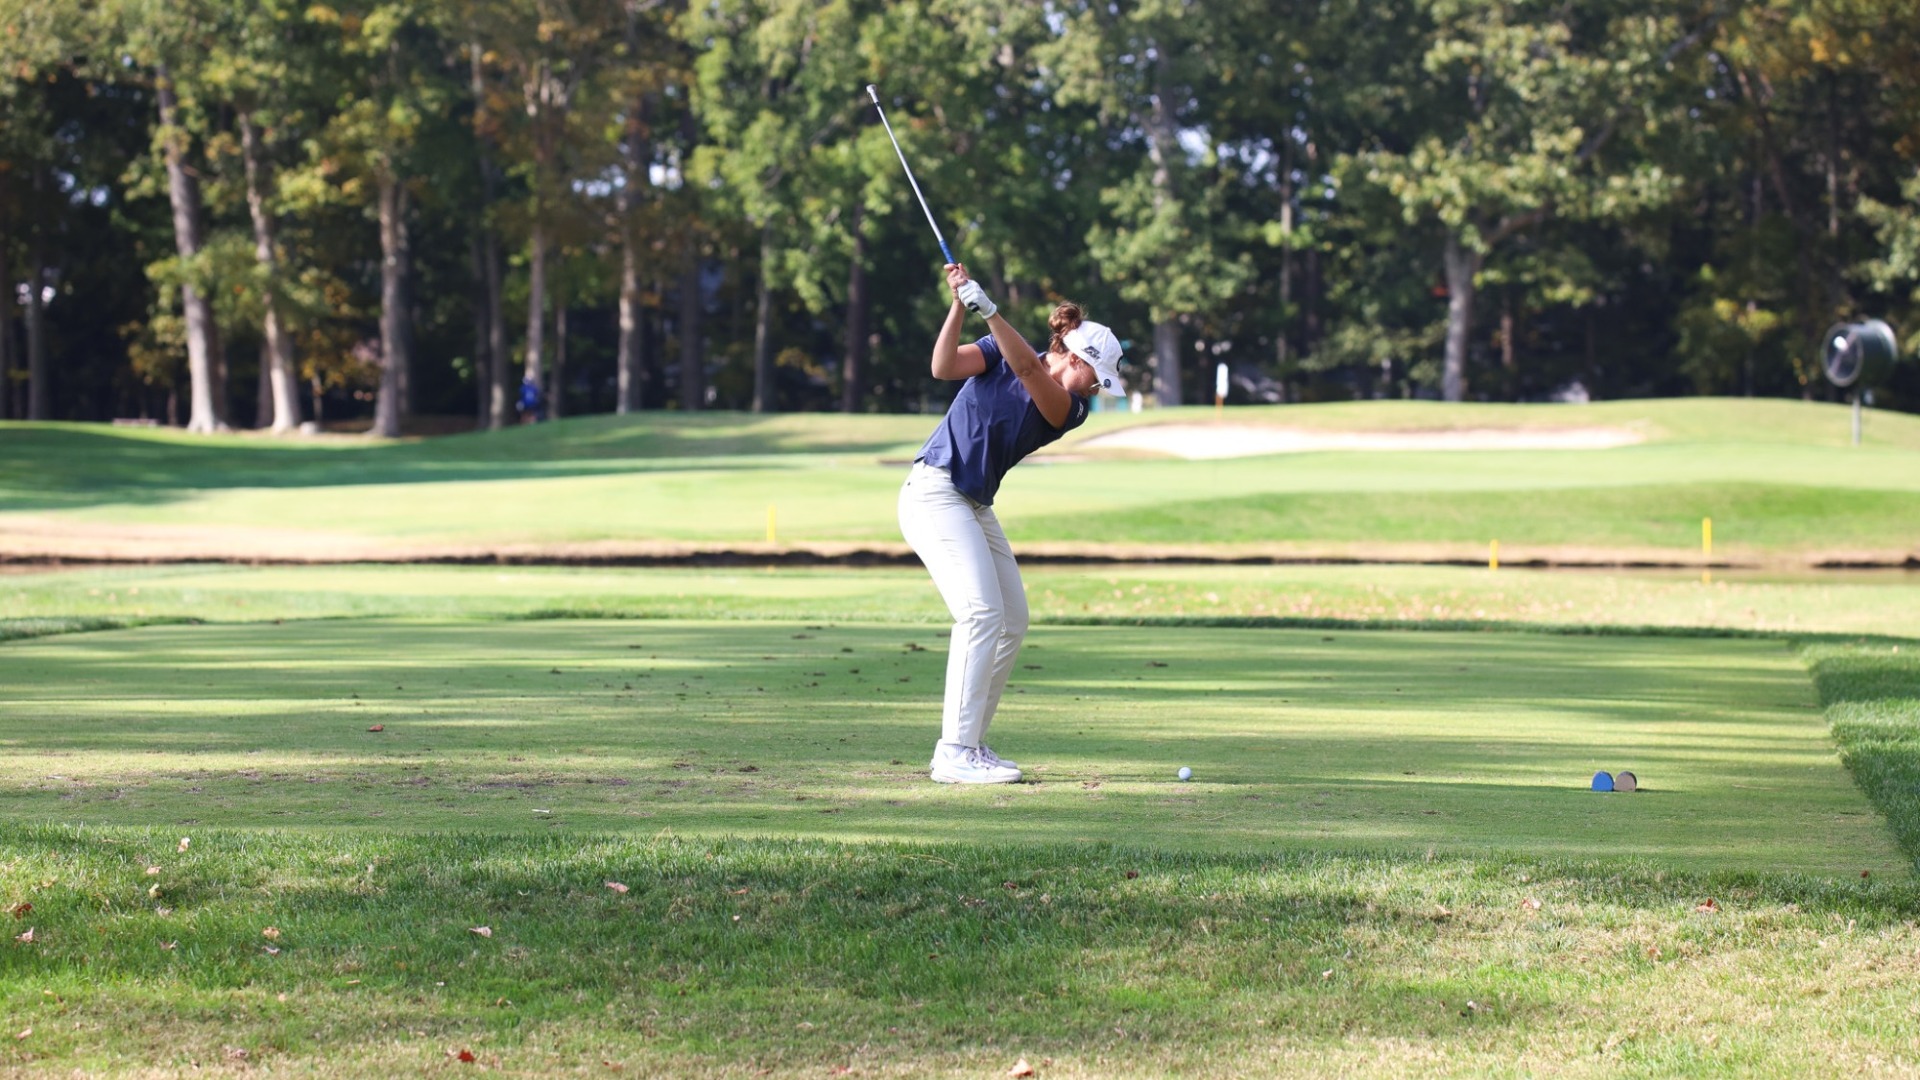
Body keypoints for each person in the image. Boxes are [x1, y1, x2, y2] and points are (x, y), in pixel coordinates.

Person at [899, 262, 1127, 784]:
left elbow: (1028, 371)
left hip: (973, 503)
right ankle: (954, 751)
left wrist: (991, 309)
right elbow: (942, 366)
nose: (1097, 389)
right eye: (1096, 377)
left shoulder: (1070, 409)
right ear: (1075, 357)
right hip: (934, 491)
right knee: (981, 613)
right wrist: (960, 305)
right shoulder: (999, 349)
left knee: (1012, 619)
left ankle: (971, 743)